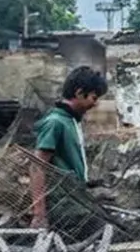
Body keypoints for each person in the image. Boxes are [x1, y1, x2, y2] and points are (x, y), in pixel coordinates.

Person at [30, 66, 108, 228]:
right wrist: (39, 214)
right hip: (64, 206)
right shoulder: (55, 122)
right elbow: (37, 167)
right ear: (79, 93)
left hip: (75, 199)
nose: (95, 103)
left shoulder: (71, 121)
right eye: (94, 98)